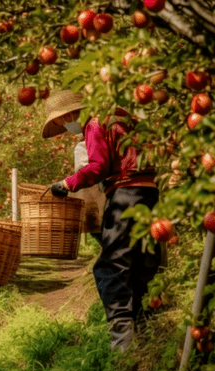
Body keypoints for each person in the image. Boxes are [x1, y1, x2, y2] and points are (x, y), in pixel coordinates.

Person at [41, 90, 162, 353]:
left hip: (126, 192)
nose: (65, 127)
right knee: (143, 260)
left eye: (62, 122)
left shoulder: (96, 123)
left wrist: (67, 183)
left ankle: (122, 347)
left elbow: (98, 166)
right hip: (149, 191)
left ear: (69, 114)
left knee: (111, 266)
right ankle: (147, 329)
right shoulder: (120, 116)